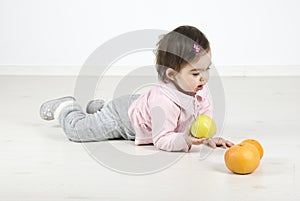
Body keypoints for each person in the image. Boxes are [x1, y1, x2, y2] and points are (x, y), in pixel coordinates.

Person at [40, 25, 234, 152]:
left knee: (108, 114)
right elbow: (162, 140)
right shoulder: (164, 102)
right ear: (172, 75)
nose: (204, 77)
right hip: (123, 118)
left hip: (140, 106)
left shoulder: (200, 88)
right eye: (195, 73)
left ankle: (98, 109)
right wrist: (185, 140)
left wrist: (209, 138)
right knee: (78, 132)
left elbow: (202, 119)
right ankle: (67, 108)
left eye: (207, 69)